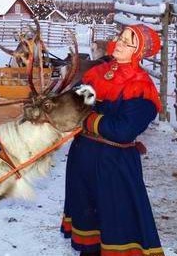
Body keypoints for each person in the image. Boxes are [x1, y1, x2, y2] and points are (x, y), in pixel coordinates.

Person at [61, 24, 165, 256]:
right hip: (82, 162)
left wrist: (87, 119)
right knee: (88, 226)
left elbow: (123, 131)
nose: (120, 42)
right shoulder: (97, 74)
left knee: (115, 227)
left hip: (113, 168)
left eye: (129, 41)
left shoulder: (141, 87)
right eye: (121, 37)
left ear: (139, 51)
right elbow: (77, 101)